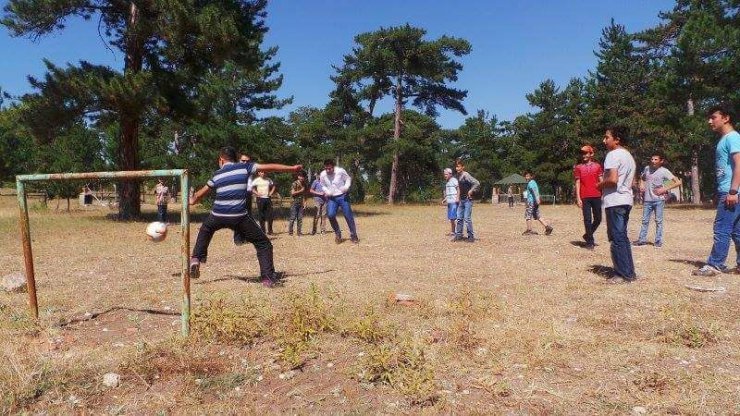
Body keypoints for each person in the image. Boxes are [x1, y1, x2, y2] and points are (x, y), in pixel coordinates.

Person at [188, 146, 301, 286]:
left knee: (205, 230)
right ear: (235, 159)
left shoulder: (217, 174)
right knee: (263, 244)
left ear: (221, 160)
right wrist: (292, 168)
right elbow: (269, 167)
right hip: (238, 216)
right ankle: (267, 278)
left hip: (217, 215)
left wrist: (191, 200)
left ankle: (195, 258)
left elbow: (200, 194)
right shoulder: (245, 167)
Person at [693, 105, 740, 276]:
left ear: (726, 118)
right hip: (728, 191)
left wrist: (733, 191)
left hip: (733, 192)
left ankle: (715, 264)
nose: (710, 121)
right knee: (736, 230)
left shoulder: (732, 138)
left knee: (722, 228)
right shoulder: (724, 139)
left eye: (714, 117)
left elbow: (739, 165)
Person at [597, 126, 637, 283]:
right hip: (626, 200)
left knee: (616, 238)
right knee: (622, 237)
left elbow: (612, 180)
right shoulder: (628, 156)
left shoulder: (613, 155)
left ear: (617, 139)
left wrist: (599, 185)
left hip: (615, 201)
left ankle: (622, 274)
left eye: (607, 137)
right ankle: (629, 271)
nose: (604, 140)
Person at [633, 153, 682, 248]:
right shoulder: (647, 169)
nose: (653, 161)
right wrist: (642, 185)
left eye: (656, 159)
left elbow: (677, 182)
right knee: (645, 220)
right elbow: (643, 178)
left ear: (661, 161)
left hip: (659, 200)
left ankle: (658, 241)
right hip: (647, 200)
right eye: (652, 159)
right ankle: (642, 240)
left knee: (658, 221)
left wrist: (664, 189)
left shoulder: (664, 171)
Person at [320, 159, 359, 244]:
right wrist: (327, 191)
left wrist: (346, 187)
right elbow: (322, 185)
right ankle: (338, 234)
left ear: (333, 167)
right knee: (330, 215)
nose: (328, 170)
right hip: (332, 198)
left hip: (342, 196)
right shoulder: (323, 175)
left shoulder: (340, 171)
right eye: (326, 168)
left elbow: (348, 179)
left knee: (348, 216)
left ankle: (354, 235)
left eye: (329, 169)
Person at [574, 145, 603, 249]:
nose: (584, 155)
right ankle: (590, 242)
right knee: (587, 219)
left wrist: (604, 193)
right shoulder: (578, 167)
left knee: (598, 219)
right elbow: (577, 182)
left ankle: (587, 235)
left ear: (591, 154)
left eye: (586, 153)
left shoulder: (597, 166)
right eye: (582, 153)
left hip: (597, 195)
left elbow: (601, 180)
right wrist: (578, 197)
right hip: (585, 196)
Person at [451, 159, 480, 242]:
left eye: (459, 166)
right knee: (459, 218)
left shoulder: (466, 175)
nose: (457, 168)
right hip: (461, 200)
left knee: (467, 218)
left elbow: (477, 183)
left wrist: (471, 191)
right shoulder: (456, 176)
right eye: (456, 166)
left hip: (467, 200)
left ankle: (471, 237)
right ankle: (458, 235)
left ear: (463, 167)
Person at [522, 171, 553, 236]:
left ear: (531, 176)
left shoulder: (530, 183)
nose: (526, 177)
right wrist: (537, 200)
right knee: (537, 216)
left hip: (531, 202)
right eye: (526, 176)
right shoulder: (534, 182)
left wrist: (537, 199)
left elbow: (535, 191)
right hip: (535, 202)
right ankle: (547, 227)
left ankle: (529, 230)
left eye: (528, 176)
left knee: (528, 215)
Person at [288, 170, 307, 236]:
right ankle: (290, 232)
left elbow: (304, 194)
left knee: (300, 218)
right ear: (298, 176)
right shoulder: (294, 183)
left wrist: (305, 202)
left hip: (301, 202)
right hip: (294, 202)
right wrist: (300, 190)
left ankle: (299, 232)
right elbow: (292, 193)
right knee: (292, 218)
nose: (301, 178)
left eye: (303, 176)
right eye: (300, 176)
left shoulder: (304, 184)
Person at [442, 168, 460, 236]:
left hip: (454, 202)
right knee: (451, 218)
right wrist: (445, 198)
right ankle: (453, 232)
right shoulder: (448, 182)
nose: (445, 175)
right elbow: (449, 192)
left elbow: (458, 189)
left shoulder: (454, 180)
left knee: (454, 218)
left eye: (446, 174)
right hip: (449, 202)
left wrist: (457, 198)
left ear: (450, 174)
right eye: (444, 174)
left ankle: (457, 232)